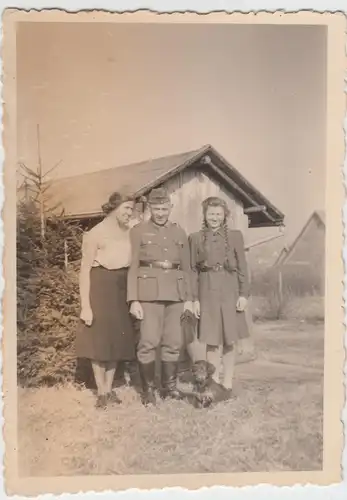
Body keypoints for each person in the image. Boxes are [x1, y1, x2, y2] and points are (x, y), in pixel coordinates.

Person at [127, 187, 193, 406]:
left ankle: (169, 387)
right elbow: (133, 266)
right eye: (156, 209)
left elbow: (187, 267)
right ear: (150, 209)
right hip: (149, 294)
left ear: (170, 208)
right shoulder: (138, 231)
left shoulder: (179, 232)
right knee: (148, 341)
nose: (161, 213)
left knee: (174, 342)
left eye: (164, 208)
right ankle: (148, 390)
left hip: (176, 293)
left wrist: (189, 298)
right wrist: (133, 299)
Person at [76, 192, 137, 410]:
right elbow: (84, 270)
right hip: (100, 285)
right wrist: (86, 305)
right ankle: (101, 391)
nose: (129, 213)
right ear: (113, 208)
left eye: (131, 209)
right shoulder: (94, 234)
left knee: (116, 339)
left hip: (121, 287)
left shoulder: (130, 232)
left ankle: (109, 389)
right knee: (100, 340)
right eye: (126, 208)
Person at [189, 196, 250, 399]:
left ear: (225, 216)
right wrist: (195, 298)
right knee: (212, 340)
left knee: (229, 339)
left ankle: (227, 383)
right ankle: (212, 384)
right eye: (211, 214)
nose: (214, 218)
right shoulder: (196, 238)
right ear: (205, 216)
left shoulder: (235, 236)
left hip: (229, 288)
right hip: (206, 290)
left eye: (218, 214)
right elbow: (192, 271)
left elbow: (242, 267)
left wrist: (243, 294)